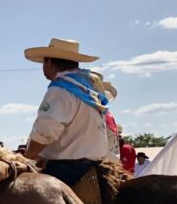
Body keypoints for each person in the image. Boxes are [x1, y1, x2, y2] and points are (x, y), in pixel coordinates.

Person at [21, 38, 110, 185]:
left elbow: (46, 131)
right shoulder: (88, 88)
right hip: (93, 164)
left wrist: (27, 158)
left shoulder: (60, 89)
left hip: (66, 167)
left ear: (49, 63)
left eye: (44, 62)